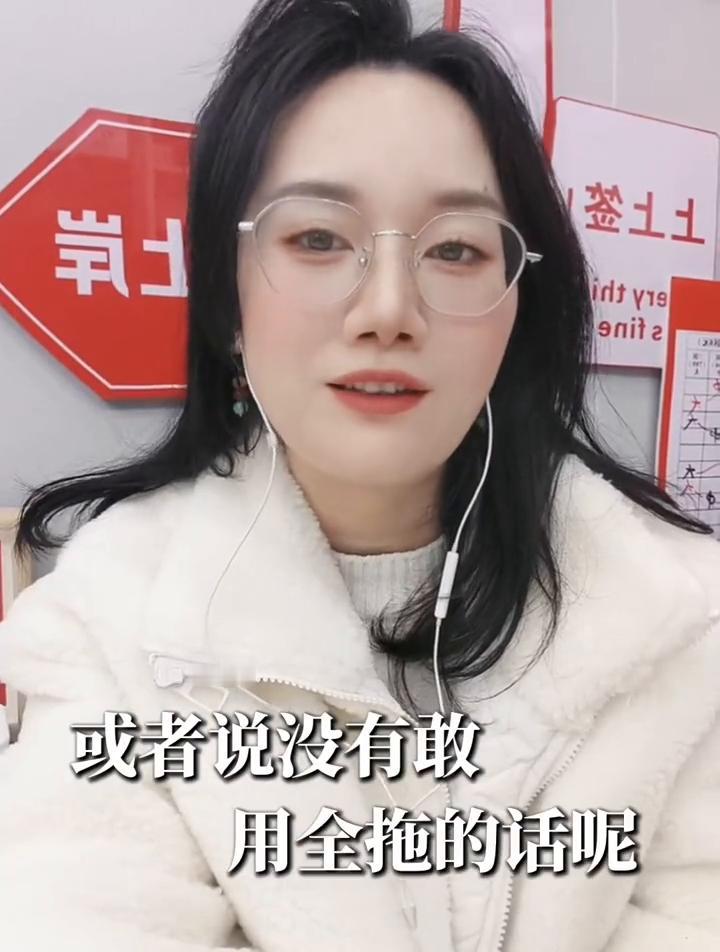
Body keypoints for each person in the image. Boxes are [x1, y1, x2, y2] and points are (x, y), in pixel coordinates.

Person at [1, 0, 719, 950]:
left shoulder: (677, 616)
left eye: (456, 249)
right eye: (317, 238)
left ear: (517, 307)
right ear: (226, 299)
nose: (388, 309)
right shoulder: (110, 621)